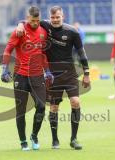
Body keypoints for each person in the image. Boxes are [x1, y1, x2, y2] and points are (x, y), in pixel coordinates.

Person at [16, 6, 90, 150]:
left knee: (75, 102)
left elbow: (82, 53)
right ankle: (55, 139)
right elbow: (29, 20)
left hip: (69, 73)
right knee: (54, 107)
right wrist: (19, 23)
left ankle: (74, 139)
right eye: (53, 17)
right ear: (50, 18)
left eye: (58, 17)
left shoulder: (72, 32)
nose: (55, 20)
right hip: (52, 75)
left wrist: (87, 73)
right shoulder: (45, 25)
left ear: (63, 16)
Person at [1, 6, 54, 151]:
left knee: (42, 106)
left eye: (37, 20)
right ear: (27, 18)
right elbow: (8, 49)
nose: (35, 23)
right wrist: (4, 69)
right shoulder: (20, 31)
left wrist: (47, 71)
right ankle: (23, 141)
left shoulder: (43, 31)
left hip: (37, 75)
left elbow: (42, 54)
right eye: (32, 20)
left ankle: (34, 135)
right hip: (21, 75)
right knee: (21, 110)